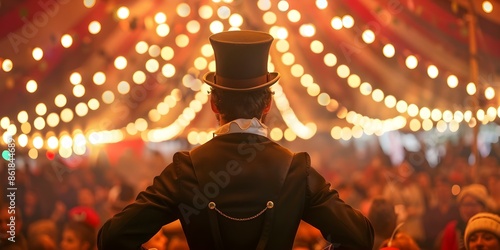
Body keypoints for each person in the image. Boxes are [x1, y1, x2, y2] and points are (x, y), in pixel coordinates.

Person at [97, 30, 374, 249]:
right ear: (267, 104)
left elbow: (112, 239)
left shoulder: (186, 170)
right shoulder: (295, 169)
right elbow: (360, 237)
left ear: (214, 105)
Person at [439, 184, 497, 250]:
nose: (469, 209)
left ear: (484, 207)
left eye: (473, 205)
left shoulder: (492, 228)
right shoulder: (451, 229)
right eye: (465, 205)